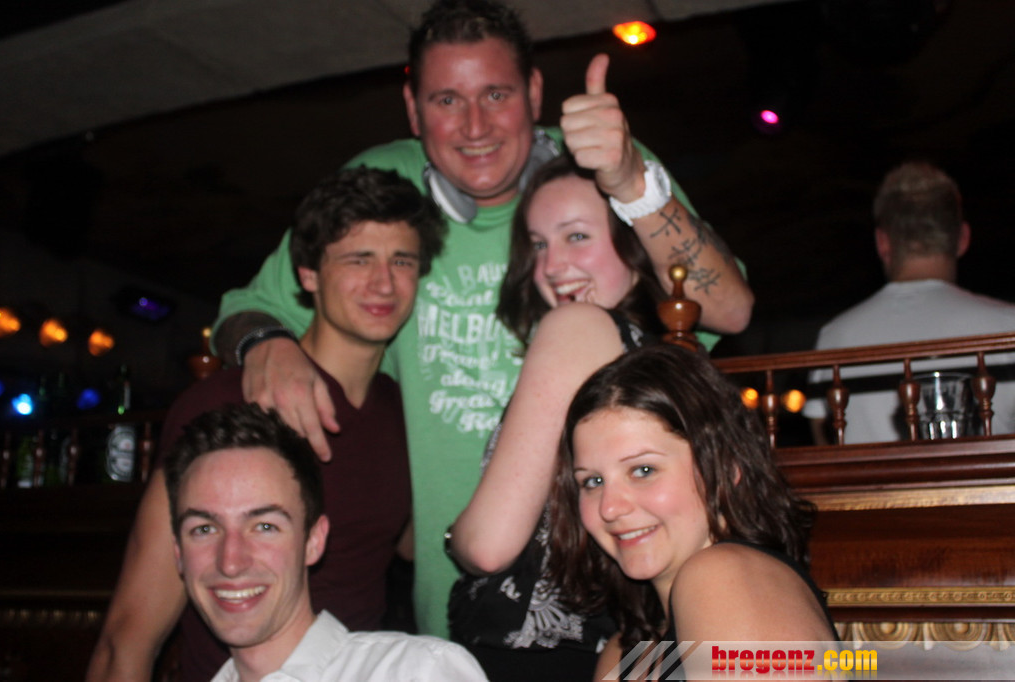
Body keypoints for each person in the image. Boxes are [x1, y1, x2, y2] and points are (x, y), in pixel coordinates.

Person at [211, 0, 754, 639]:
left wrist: (632, 180)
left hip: (604, 595)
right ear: (413, 109)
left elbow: (729, 309)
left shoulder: (598, 172)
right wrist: (266, 341)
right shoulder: (381, 185)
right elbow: (244, 309)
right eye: (447, 100)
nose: (475, 126)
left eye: (496, 94)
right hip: (453, 613)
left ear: (534, 93)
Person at [87, 167, 445, 682]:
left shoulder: (402, 411)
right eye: (358, 259)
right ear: (308, 274)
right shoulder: (227, 401)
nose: (384, 283)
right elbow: (127, 638)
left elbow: (411, 542)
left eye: (402, 261)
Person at [445, 154, 671, 680]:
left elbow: (488, 546)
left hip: (533, 658)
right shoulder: (653, 358)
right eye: (539, 244)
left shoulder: (577, 326)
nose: (550, 266)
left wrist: (454, 537)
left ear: (634, 247)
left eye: (577, 236)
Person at [548, 345, 837, 681]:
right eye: (593, 481)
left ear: (726, 469)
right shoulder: (626, 652)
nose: (609, 508)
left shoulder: (723, 576)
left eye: (643, 470)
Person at [164, 403, 489, 681]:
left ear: (314, 541)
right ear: (178, 553)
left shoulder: (416, 672)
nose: (231, 561)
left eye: (264, 526)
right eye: (204, 529)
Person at [804, 161, 1015, 444]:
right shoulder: (1008, 326)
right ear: (963, 238)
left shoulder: (835, 337)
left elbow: (824, 444)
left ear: (883, 243)